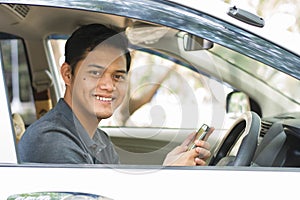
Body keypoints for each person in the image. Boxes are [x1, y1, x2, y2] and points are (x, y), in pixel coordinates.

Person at [18, 23, 212, 166]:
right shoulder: (50, 139)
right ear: (68, 74)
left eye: (117, 76)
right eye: (95, 73)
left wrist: (167, 167)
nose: (109, 86)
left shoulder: (98, 137)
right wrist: (168, 177)